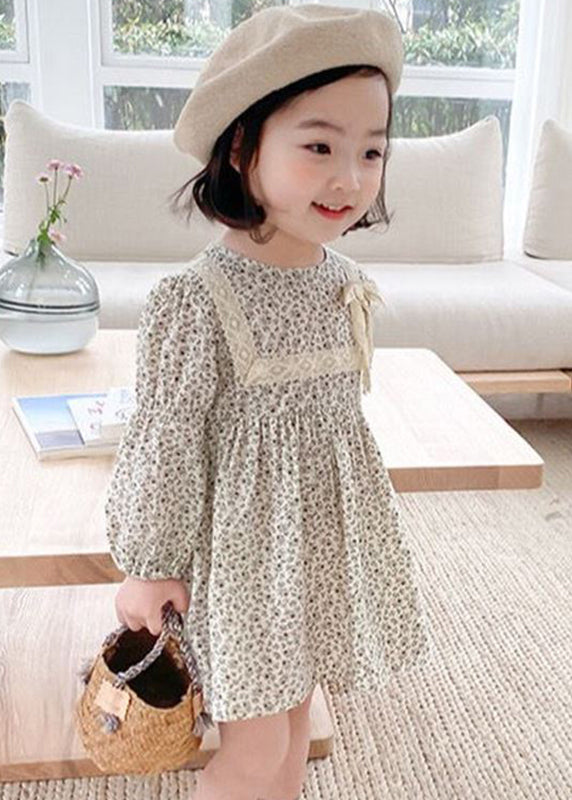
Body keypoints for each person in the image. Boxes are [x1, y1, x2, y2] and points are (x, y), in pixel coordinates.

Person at [104, 5, 434, 799]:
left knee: (292, 734)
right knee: (255, 750)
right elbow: (167, 440)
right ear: (242, 146)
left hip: (317, 561)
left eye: (371, 151)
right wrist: (150, 564)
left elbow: (335, 429)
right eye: (319, 146)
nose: (349, 178)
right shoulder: (198, 298)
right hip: (248, 570)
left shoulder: (342, 282)